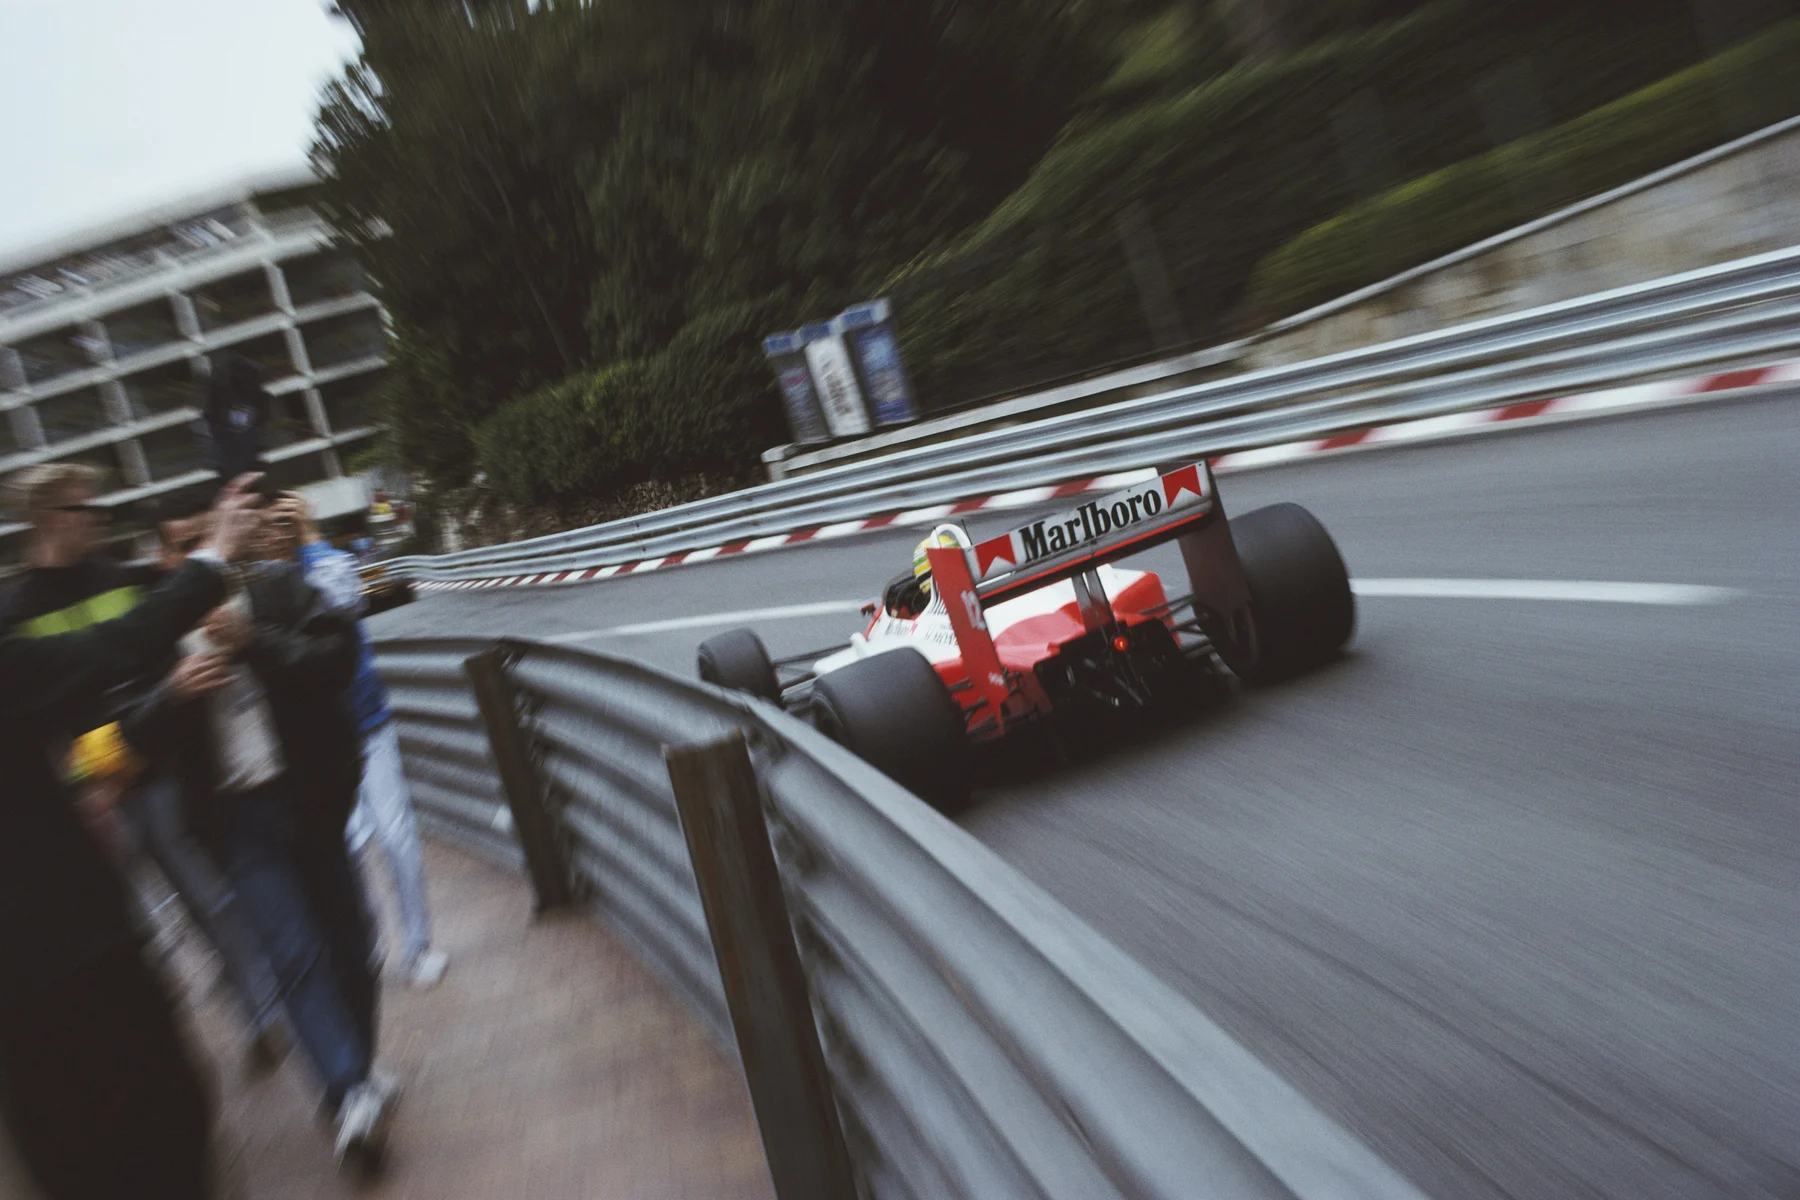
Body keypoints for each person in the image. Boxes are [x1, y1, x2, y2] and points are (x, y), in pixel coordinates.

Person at [0, 472, 264, 1200]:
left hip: (36, 997)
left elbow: (69, 766)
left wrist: (154, 715)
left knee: (74, 1154)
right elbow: (122, 644)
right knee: (161, 1127)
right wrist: (213, 556)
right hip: (72, 960)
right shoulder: (11, 629)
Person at [123, 487, 397, 1168]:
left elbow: (336, 663)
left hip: (309, 801)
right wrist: (174, 692)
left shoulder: (281, 591)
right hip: (235, 821)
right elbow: (131, 732)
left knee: (352, 941)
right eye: (183, 545)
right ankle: (347, 1094)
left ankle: (357, 1068)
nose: (195, 555)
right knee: (294, 953)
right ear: (165, 558)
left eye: (205, 537)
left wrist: (255, 642)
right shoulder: (151, 638)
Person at [263, 492, 450, 988]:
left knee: (395, 835)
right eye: (269, 526)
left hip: (366, 722)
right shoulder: (260, 587)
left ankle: (419, 947)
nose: (277, 533)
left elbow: (348, 600)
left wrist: (309, 538)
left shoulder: (325, 563)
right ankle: (365, 947)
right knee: (344, 848)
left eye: (285, 523)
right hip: (311, 741)